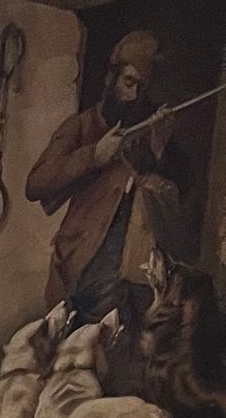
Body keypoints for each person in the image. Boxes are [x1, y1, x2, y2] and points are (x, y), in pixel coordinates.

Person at [26, 30, 188, 324]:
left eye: (142, 87)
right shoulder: (83, 125)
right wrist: (94, 156)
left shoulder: (152, 129)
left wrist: (159, 149)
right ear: (110, 79)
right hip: (79, 264)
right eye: (128, 83)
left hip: (129, 274)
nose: (134, 95)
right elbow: (36, 183)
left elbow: (176, 205)